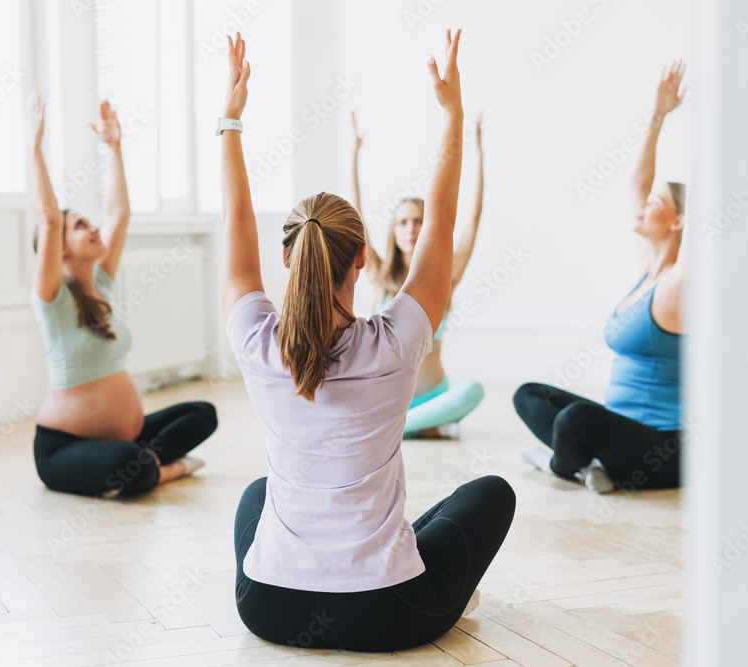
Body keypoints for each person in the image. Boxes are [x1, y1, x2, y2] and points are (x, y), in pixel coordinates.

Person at [221, 31, 515, 651]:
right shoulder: (399, 340)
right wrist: (453, 115)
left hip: (269, 607)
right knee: (490, 494)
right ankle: (440, 588)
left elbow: (235, 225)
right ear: (362, 262)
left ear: (287, 255)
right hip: (389, 613)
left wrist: (231, 121)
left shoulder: (255, 341)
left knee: (255, 496)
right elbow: (442, 219)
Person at [26, 90, 217, 497]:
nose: (93, 227)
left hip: (127, 438)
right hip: (63, 449)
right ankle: (162, 470)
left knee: (203, 414)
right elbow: (48, 219)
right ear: (58, 247)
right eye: (79, 226)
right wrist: (34, 151)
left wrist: (115, 148)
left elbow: (119, 214)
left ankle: (144, 464)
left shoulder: (102, 283)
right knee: (126, 465)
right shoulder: (52, 299)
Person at [513, 61, 688, 494]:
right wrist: (658, 116)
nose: (644, 203)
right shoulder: (648, 272)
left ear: (681, 220)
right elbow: (636, 184)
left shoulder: (681, 286)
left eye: (657, 202)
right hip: (620, 431)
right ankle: (588, 465)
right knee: (529, 395)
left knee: (575, 420)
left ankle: (564, 465)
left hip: (664, 450)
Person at [350, 107, 485, 438]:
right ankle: (407, 426)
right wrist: (353, 154)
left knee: (473, 391)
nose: (411, 228)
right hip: (389, 399)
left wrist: (478, 151)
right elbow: (357, 217)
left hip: (435, 395)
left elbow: (474, 216)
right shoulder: (380, 274)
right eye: (403, 222)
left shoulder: (446, 275)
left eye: (419, 221)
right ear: (394, 230)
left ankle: (396, 429)